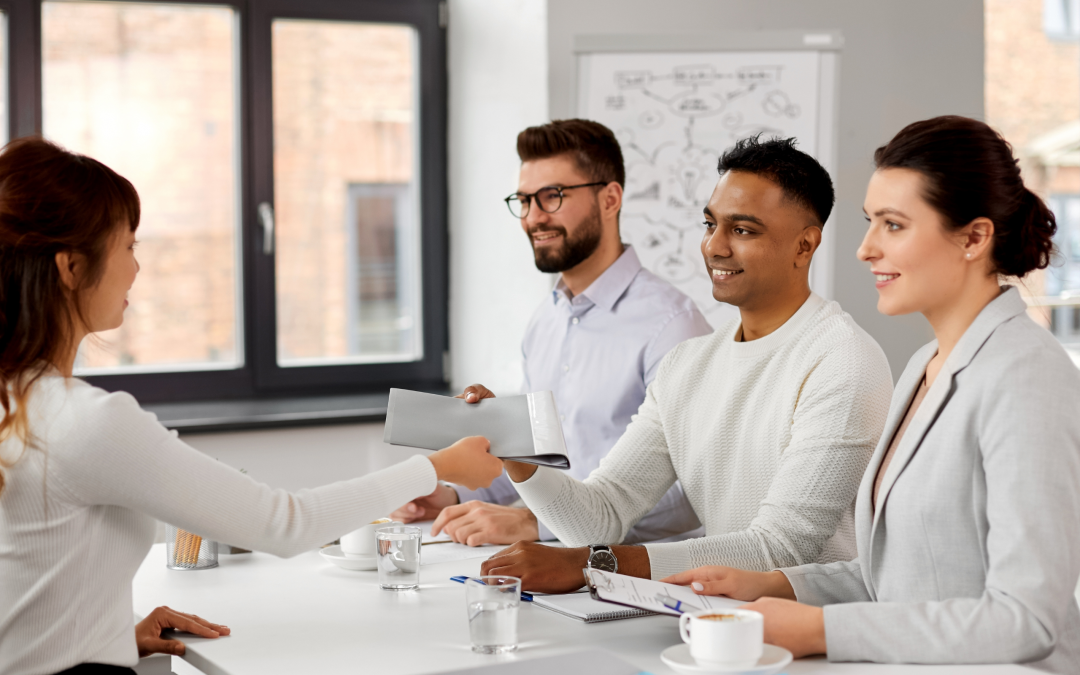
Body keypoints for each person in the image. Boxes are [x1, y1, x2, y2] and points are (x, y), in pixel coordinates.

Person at [0, 138, 503, 675]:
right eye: (128, 246)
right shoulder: (87, 422)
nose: (137, 269)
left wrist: (109, 632)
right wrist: (436, 467)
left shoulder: (19, 405)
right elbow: (284, 524)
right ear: (71, 268)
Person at [664, 116, 1080, 672]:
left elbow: (1025, 619)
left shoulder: (1027, 376)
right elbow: (904, 574)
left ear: (974, 238)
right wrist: (777, 584)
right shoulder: (923, 368)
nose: (864, 249)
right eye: (869, 222)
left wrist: (818, 629)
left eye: (893, 225)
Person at [478, 135, 894, 592]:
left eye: (742, 230)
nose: (714, 247)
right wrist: (516, 453)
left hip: (813, 643)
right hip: (716, 619)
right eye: (710, 224)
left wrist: (591, 564)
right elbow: (600, 516)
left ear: (804, 246)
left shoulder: (843, 360)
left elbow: (780, 549)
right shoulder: (687, 365)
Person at [391, 119, 711, 545]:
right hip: (552, 566)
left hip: (635, 579)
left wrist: (534, 523)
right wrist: (449, 494)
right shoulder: (547, 321)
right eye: (523, 200)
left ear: (610, 199)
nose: (533, 217)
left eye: (552, 197)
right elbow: (532, 461)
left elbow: (693, 491)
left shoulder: (673, 327)